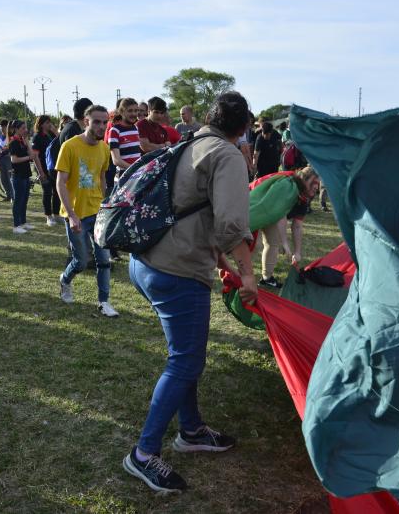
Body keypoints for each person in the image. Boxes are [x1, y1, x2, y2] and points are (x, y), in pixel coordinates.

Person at [122, 90, 257, 493]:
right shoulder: (229, 154)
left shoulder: (190, 142)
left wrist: (223, 264)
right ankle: (143, 455)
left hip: (144, 262)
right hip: (176, 271)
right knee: (185, 361)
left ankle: (193, 430)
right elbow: (232, 223)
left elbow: (193, 208)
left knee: (185, 355)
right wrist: (248, 275)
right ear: (244, 127)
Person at [56, 105, 119, 317]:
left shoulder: (104, 149)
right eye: (97, 122)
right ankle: (65, 280)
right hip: (75, 214)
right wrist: (72, 215)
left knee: (103, 261)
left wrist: (106, 206)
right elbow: (61, 183)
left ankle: (104, 302)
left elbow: (101, 179)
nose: (102, 126)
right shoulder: (70, 146)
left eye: (105, 122)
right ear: (86, 122)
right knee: (81, 261)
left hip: (97, 213)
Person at [250, 166, 321, 289]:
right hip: (256, 207)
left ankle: (267, 278)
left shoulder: (303, 196)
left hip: (272, 214)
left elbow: (297, 226)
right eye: (314, 182)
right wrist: (285, 242)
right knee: (254, 244)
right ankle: (241, 275)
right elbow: (279, 212)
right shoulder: (288, 185)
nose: (316, 186)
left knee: (272, 243)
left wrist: (297, 252)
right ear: (305, 179)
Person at [31, 115, 61, 226]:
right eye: (47, 122)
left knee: (57, 191)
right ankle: (48, 216)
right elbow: (35, 156)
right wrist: (41, 172)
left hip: (54, 168)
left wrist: (55, 131)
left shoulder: (52, 134)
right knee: (47, 192)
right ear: (41, 124)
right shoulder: (37, 137)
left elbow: (62, 142)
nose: (50, 124)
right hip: (43, 168)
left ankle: (56, 214)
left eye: (50, 122)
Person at [8, 119, 37, 234]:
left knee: (24, 200)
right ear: (16, 129)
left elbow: (32, 154)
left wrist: (27, 142)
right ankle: (16, 226)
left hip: (25, 174)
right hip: (18, 175)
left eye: (26, 128)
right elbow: (14, 160)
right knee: (18, 201)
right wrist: (28, 158)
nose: (25, 130)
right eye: (23, 128)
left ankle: (23, 222)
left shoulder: (22, 141)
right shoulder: (13, 142)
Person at [109, 98, 143, 173]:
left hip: (137, 173)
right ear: (121, 112)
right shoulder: (115, 131)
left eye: (136, 111)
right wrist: (134, 169)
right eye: (130, 111)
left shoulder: (136, 128)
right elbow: (116, 160)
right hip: (124, 174)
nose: (134, 114)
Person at [0, 119, 14, 201]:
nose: (2, 128)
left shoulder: (11, 137)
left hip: (9, 160)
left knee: (11, 178)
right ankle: (8, 195)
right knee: (3, 179)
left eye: (4, 126)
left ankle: (13, 196)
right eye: (1, 126)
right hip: (2, 160)